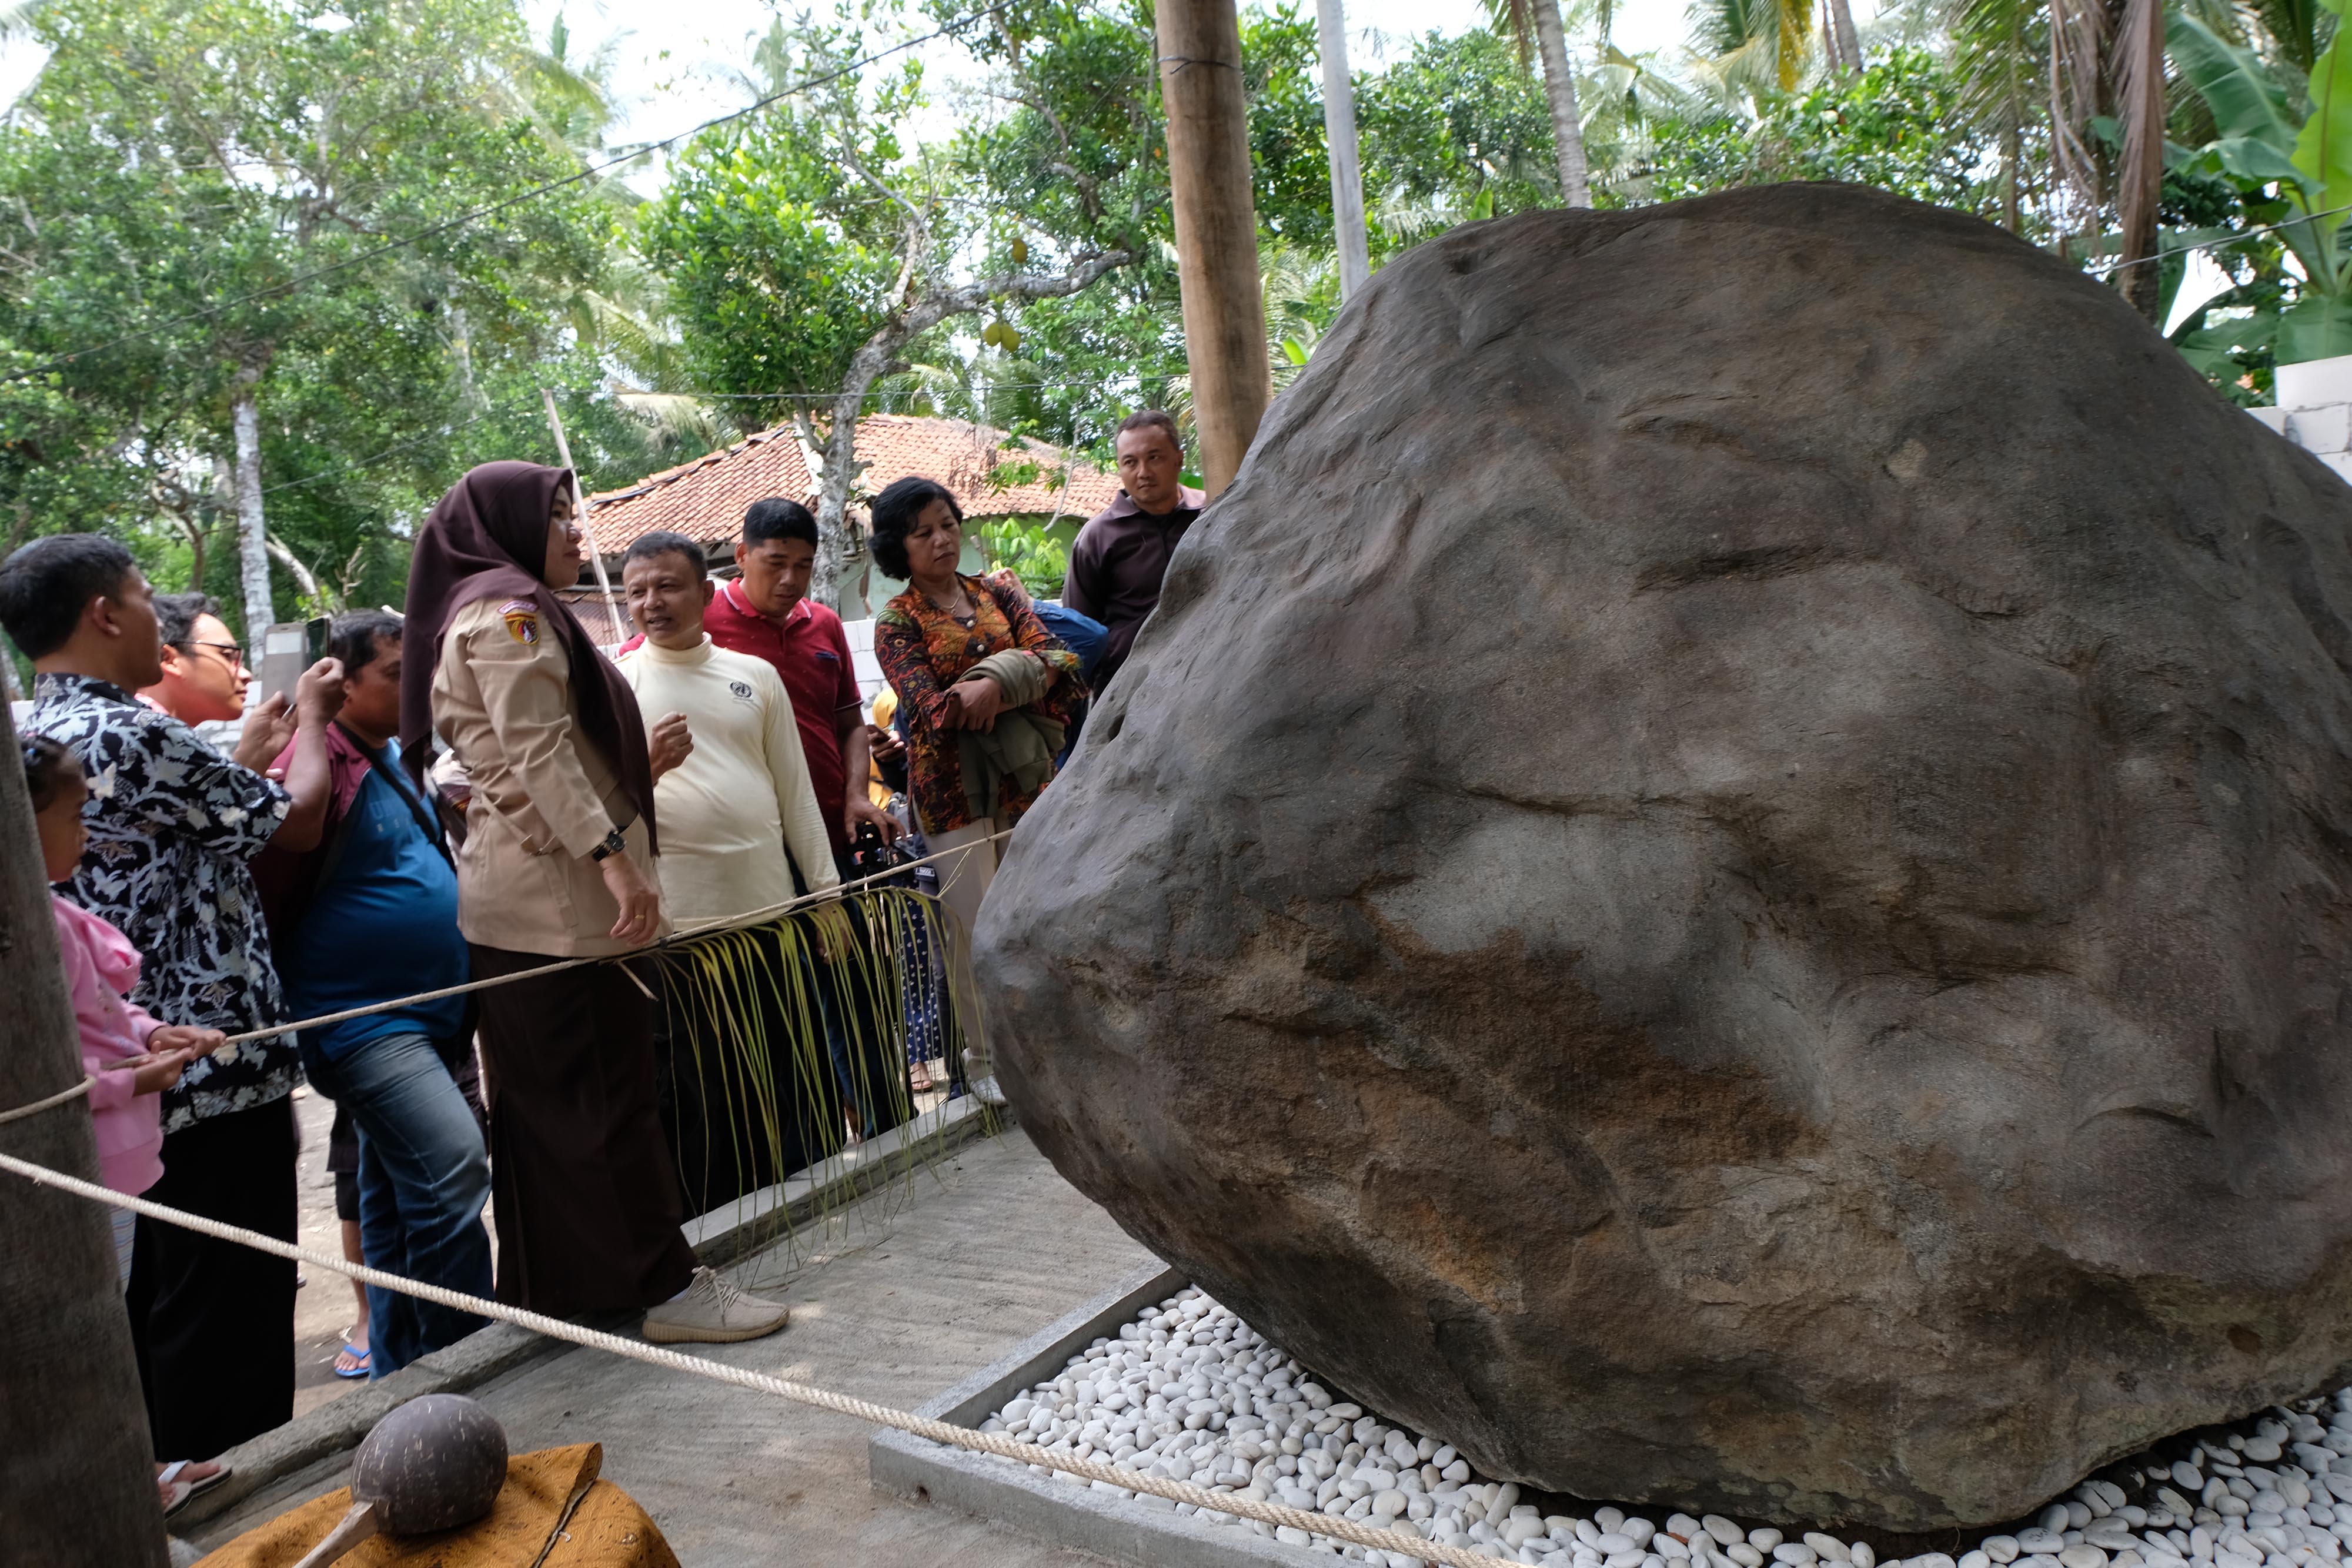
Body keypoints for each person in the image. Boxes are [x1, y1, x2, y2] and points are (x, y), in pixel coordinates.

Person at [405, 460, 789, 1344]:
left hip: (528, 904)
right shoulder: (508, 612)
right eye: (560, 519)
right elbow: (536, 753)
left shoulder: (495, 606)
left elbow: (516, 760)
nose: (580, 535)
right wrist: (616, 860)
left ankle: (562, 1290)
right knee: (607, 1103)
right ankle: (658, 1287)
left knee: (548, 1113)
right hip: (563, 911)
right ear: (505, 526)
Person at [0, 532, 345, 1464]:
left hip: (136, 1061)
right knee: (228, 1301)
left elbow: (164, 848)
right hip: (208, 1062)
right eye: (146, 595)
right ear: (104, 614)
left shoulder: (44, 734)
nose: (160, 615)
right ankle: (242, 1488)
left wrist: (243, 752)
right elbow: (298, 821)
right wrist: (314, 717)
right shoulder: (135, 730)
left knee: (169, 1296)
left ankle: (173, 1475)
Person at [253, 608, 494, 1378]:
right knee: (454, 1164)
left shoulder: (386, 752)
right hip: (361, 1020)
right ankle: (466, 1362)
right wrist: (309, 726)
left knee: (397, 1196)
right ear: (340, 680)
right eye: (393, 675)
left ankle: (402, 1374)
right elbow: (287, 836)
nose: (411, 687)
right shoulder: (312, 759)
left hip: (429, 1017)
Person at [615, 531, 868, 1208]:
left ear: (704, 593)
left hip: (768, 911)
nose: (651, 603)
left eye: (667, 586)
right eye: (636, 591)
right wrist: (645, 766)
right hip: (679, 926)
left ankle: (818, 1203)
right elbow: (601, 812)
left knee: (792, 1064)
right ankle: (725, 1222)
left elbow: (796, 796)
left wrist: (825, 895)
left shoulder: (755, 677)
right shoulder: (617, 682)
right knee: (702, 1085)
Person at [871, 476, 1083, 1105]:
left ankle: (1047, 1044)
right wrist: (1019, 675)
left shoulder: (995, 593)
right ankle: (985, 1060)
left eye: (946, 524)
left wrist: (993, 681)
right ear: (897, 547)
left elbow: (1064, 663)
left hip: (1025, 781)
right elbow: (931, 713)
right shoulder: (897, 622)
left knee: (1033, 914)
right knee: (973, 929)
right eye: (922, 532)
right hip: (950, 793)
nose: (941, 540)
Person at [1060, 409, 1205, 692]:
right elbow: (1078, 629)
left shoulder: (1212, 513)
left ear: (1179, 459)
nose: (1143, 473)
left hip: (1208, 672)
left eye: (1155, 458)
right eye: (1130, 462)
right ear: (1120, 468)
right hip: (1128, 688)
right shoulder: (1097, 537)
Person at [139, 593, 251, 723]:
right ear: (168, 659)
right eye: (227, 656)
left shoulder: (127, 730)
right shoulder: (139, 732)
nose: (246, 675)